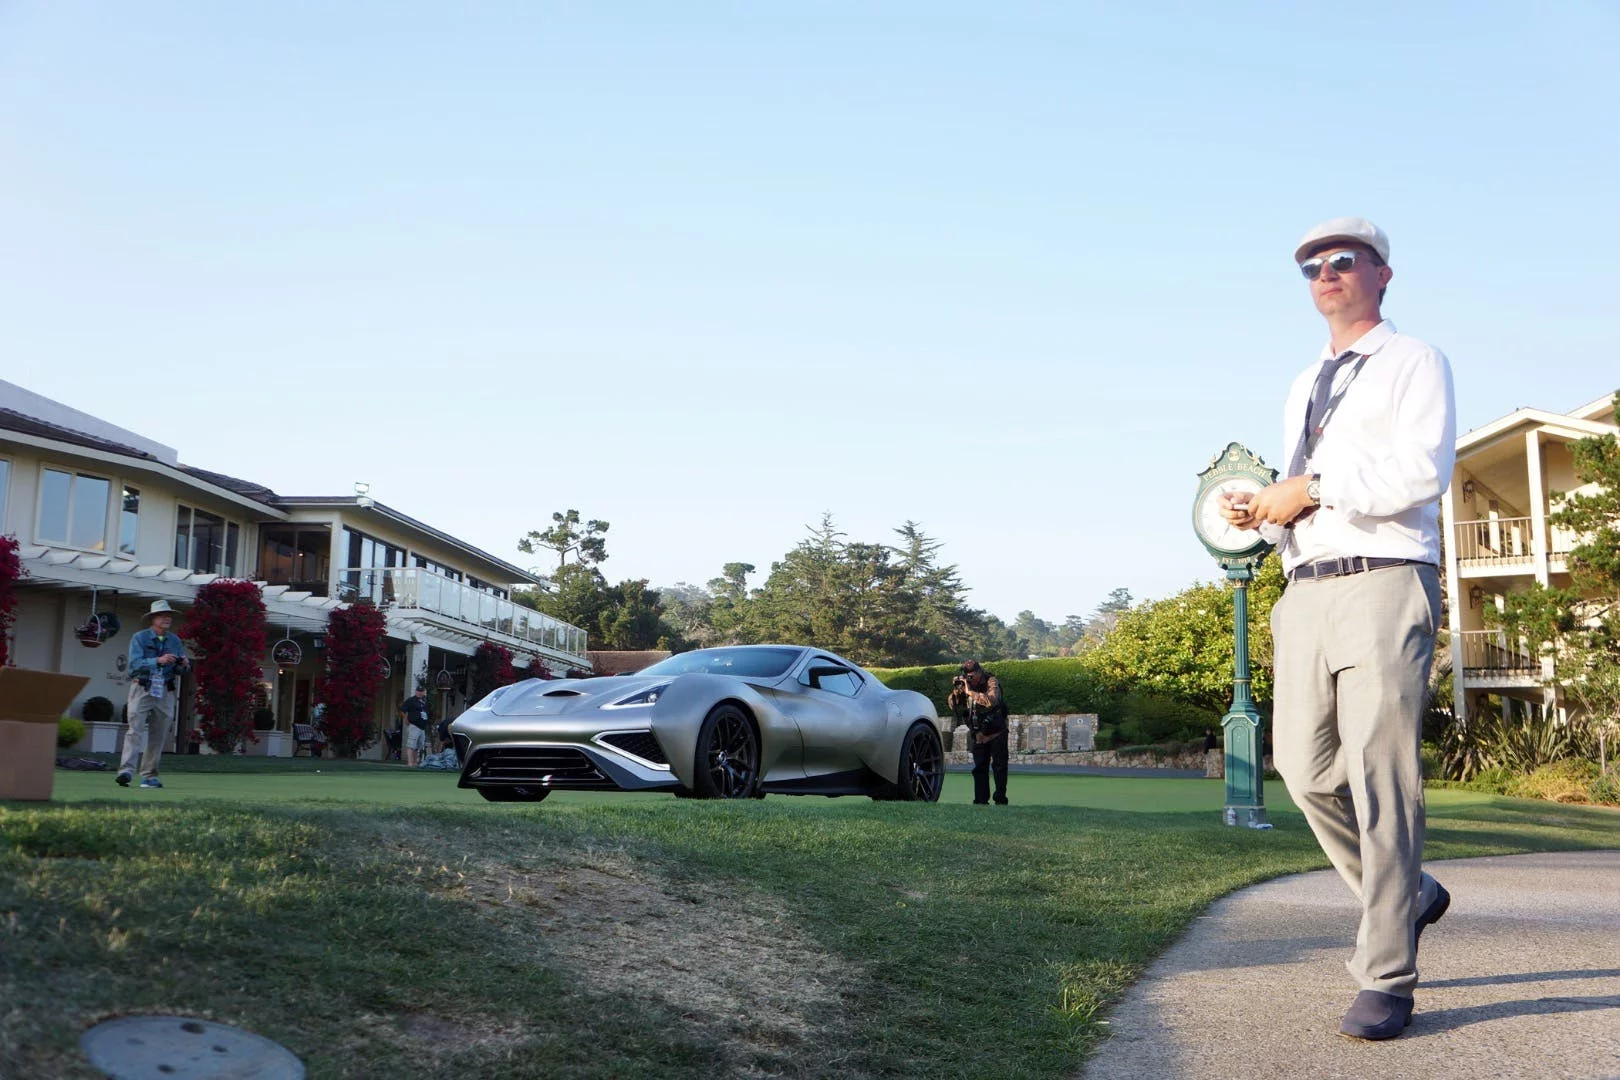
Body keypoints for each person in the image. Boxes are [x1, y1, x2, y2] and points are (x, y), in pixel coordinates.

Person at [1218, 217, 1454, 1041]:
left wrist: (1310, 486)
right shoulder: (1305, 381)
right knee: (1307, 772)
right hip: (1305, 587)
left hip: (1385, 582)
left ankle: (1386, 973)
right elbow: (1301, 491)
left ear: (1382, 274)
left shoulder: (1413, 360)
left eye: (1342, 260)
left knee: (1380, 775)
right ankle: (1410, 897)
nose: (1325, 273)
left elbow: (1423, 470)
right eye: (1312, 266)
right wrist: (1267, 510)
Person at [116, 600, 193, 789]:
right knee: (135, 730)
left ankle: (149, 776)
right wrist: (158, 660)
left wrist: (183, 665)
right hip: (142, 688)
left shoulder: (175, 641)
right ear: (153, 618)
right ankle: (126, 771)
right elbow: (134, 665)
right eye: (162, 615)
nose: (167, 618)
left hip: (165, 691)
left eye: (169, 615)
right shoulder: (139, 638)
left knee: (159, 734)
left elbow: (181, 670)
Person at [947, 660, 1008, 805]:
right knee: (979, 768)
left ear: (979, 672)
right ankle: (980, 801)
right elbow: (953, 705)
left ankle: (1000, 799)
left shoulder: (991, 681)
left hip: (996, 732)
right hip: (978, 733)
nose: (970, 678)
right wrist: (957, 691)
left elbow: (991, 701)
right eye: (967, 676)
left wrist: (970, 692)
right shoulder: (965, 685)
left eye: (972, 676)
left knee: (999, 767)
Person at [398, 684, 431, 767]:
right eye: (418, 691)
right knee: (411, 744)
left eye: (421, 691)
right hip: (414, 725)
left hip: (422, 727)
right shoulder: (411, 700)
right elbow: (402, 710)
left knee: (418, 746)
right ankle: (409, 763)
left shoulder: (425, 701)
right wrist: (406, 718)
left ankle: (415, 763)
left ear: (424, 692)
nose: (420, 693)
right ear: (416, 691)